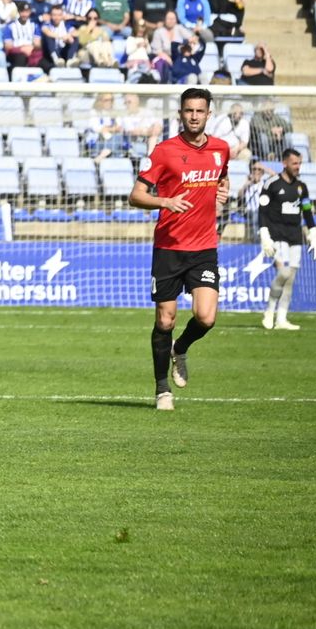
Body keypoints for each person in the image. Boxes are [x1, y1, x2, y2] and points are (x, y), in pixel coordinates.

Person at [129, 88, 231, 411]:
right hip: (169, 248)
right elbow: (136, 195)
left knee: (206, 317)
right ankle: (162, 390)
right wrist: (165, 201)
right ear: (180, 114)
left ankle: (180, 349)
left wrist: (221, 192)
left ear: (208, 114)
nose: (194, 116)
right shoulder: (164, 152)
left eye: (200, 111)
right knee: (165, 320)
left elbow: (222, 178)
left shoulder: (221, 149)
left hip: (204, 247)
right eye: (189, 111)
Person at [258, 148, 316, 331]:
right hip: (276, 235)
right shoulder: (271, 184)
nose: (298, 167)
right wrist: (264, 235)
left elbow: (308, 212)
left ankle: (282, 319)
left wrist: (314, 237)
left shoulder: (302, 187)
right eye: (295, 163)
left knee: (291, 278)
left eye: (299, 163)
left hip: (295, 236)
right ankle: (269, 310)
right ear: (284, 163)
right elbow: (262, 210)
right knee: (284, 273)